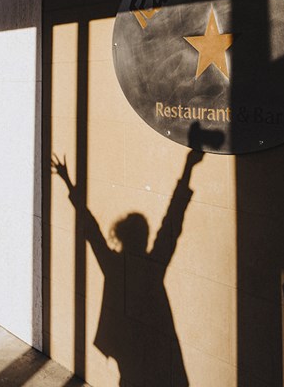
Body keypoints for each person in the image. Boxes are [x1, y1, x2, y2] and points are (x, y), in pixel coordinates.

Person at [51, 145, 206, 386]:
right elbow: (173, 220)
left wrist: (69, 185)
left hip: (128, 352)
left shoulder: (113, 265)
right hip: (158, 351)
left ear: (121, 236)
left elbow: (90, 227)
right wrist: (188, 168)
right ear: (145, 237)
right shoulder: (153, 266)